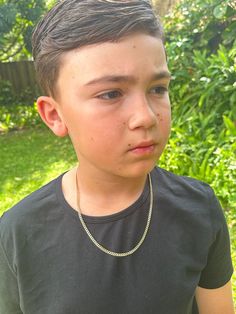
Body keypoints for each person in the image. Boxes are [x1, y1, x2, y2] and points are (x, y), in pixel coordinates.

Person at [0, 0, 234, 313]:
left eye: (158, 88)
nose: (146, 117)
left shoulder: (199, 208)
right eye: (111, 93)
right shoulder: (18, 232)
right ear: (54, 115)